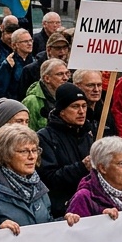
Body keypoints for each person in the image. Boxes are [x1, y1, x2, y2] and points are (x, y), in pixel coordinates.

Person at [0, 125, 79, 235]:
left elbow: (44, 224)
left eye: (34, 150)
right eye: (24, 151)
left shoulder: (38, 185)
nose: (32, 156)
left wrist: (63, 222)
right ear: (6, 154)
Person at [35, 84, 93, 215]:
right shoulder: (45, 137)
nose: (81, 111)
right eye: (75, 106)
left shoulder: (87, 134)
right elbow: (49, 178)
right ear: (61, 111)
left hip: (87, 205)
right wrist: (82, 167)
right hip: (62, 210)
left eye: (84, 106)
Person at [21, 59, 69, 132]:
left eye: (67, 73)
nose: (65, 78)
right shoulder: (31, 101)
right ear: (47, 78)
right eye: (60, 74)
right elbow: (28, 132)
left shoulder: (69, 96)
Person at [0, 30, 36, 102]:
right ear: (15, 45)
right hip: (14, 102)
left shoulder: (34, 61)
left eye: (31, 40)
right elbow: (0, 90)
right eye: (25, 41)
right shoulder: (8, 64)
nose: (30, 44)